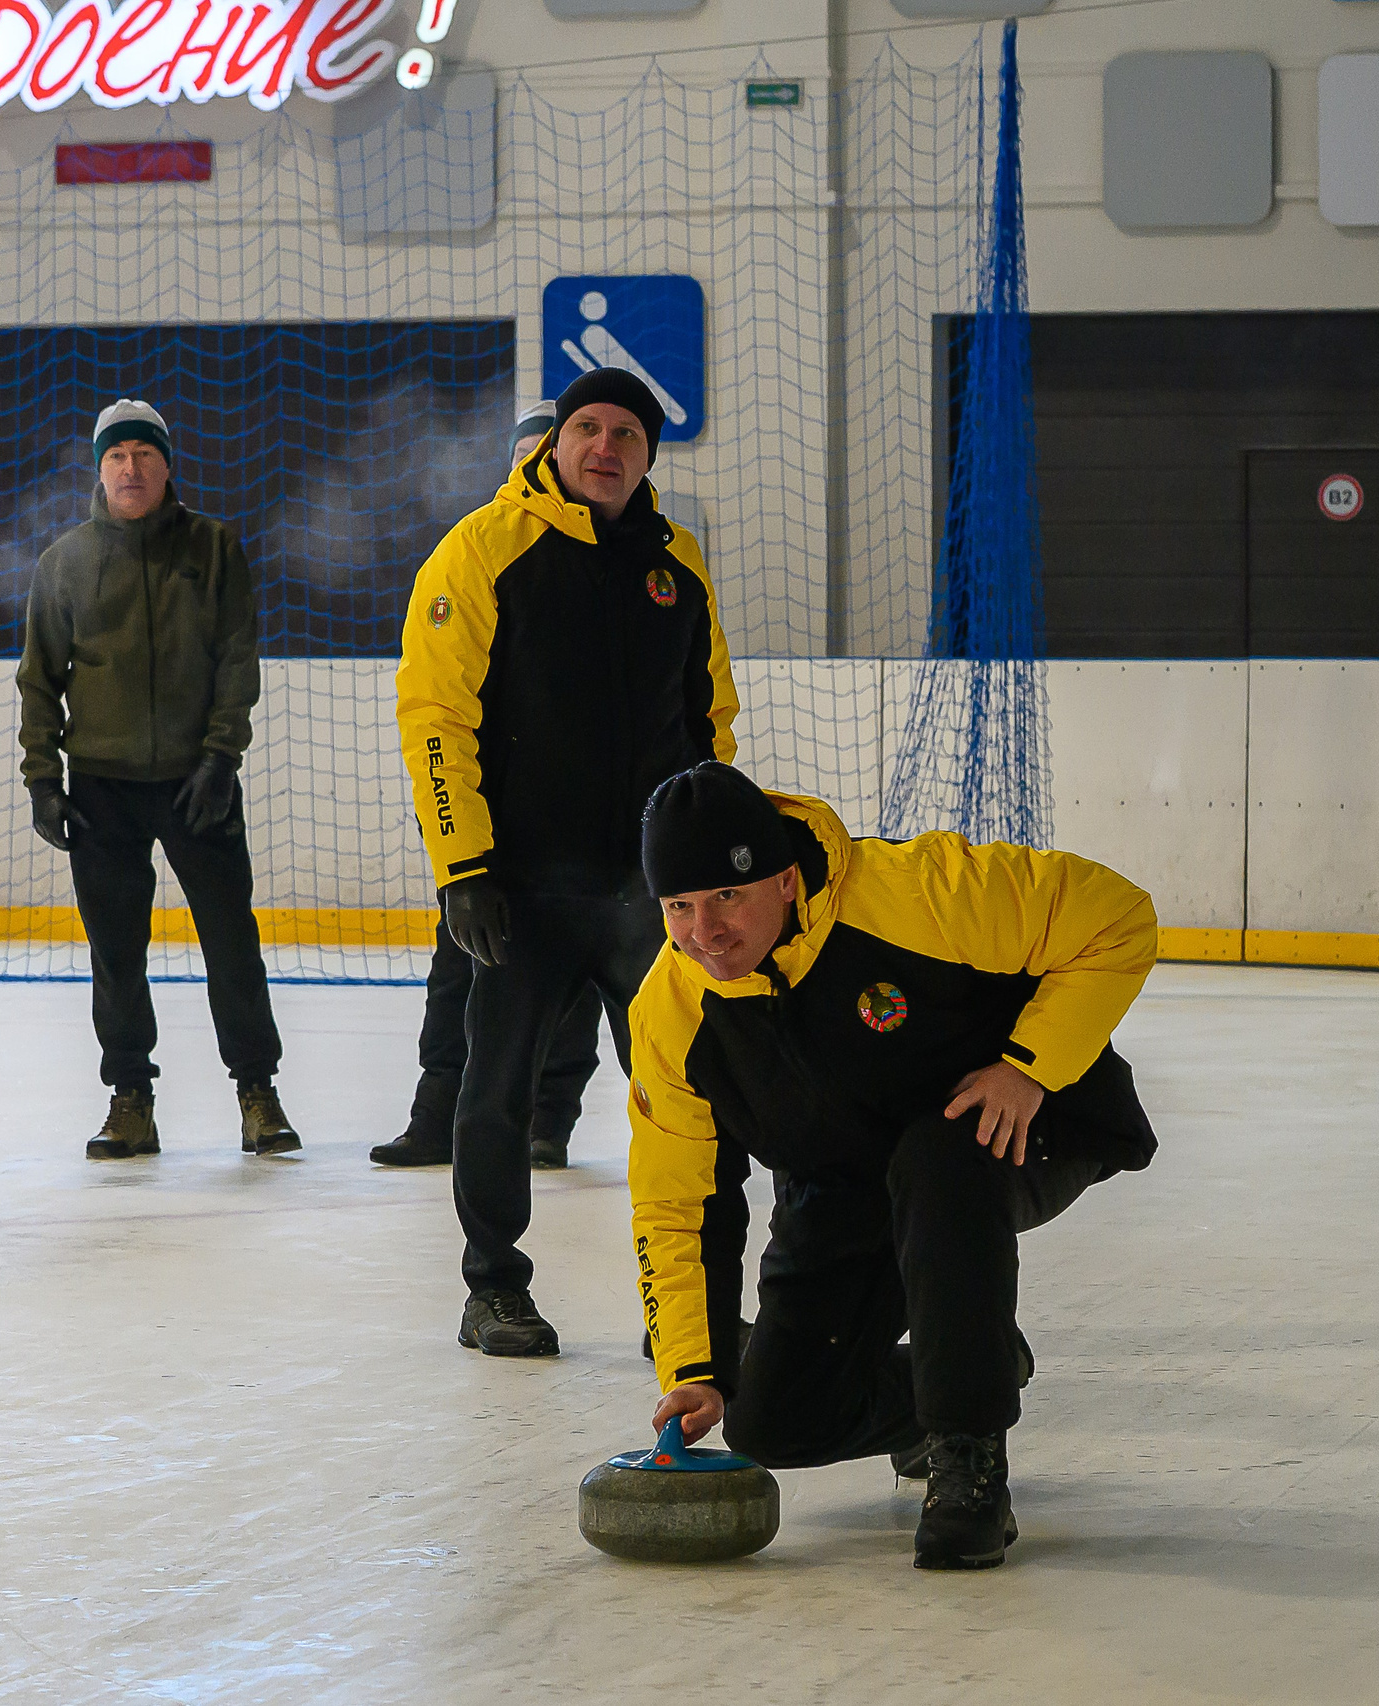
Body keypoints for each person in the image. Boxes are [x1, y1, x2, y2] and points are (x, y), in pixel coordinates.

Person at [627, 762, 1159, 1571]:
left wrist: (1029, 1067)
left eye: (726, 897)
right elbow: (677, 1204)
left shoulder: (918, 893)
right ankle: (967, 1361)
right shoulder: (671, 1016)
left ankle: (969, 1461)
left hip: (1014, 1129)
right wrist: (692, 1368)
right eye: (679, 907)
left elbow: (1118, 916)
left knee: (939, 1157)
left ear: (781, 878)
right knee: (774, 1420)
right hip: (843, 1181)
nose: (705, 931)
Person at [395, 368, 740, 1357]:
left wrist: (714, 872)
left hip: (652, 895)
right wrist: (464, 867)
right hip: (523, 890)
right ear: (556, 443)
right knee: (496, 1087)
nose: (604, 446)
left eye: (625, 432)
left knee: (681, 1093)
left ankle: (687, 1302)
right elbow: (435, 718)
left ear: (646, 454)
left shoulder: (678, 561)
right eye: (586, 426)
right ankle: (493, 1286)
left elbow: (706, 717)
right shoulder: (484, 548)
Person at [18, 399, 301, 1162]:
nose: (131, 469)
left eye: (145, 454)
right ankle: (130, 1101)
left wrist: (220, 758)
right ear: (99, 469)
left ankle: (257, 1092)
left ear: (168, 465)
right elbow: (40, 680)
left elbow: (237, 663)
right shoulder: (65, 562)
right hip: (101, 786)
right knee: (116, 952)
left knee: (230, 941)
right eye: (117, 456)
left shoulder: (214, 549)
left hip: (195, 780)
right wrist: (44, 780)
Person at [376, 399, 605, 1172]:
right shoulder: (474, 556)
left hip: (588, 832)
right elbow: (437, 708)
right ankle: (436, 1112)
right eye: (526, 457)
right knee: (457, 972)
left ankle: (550, 1117)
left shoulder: (616, 566)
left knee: (569, 987)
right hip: (485, 821)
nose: (539, 469)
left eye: (552, 453)